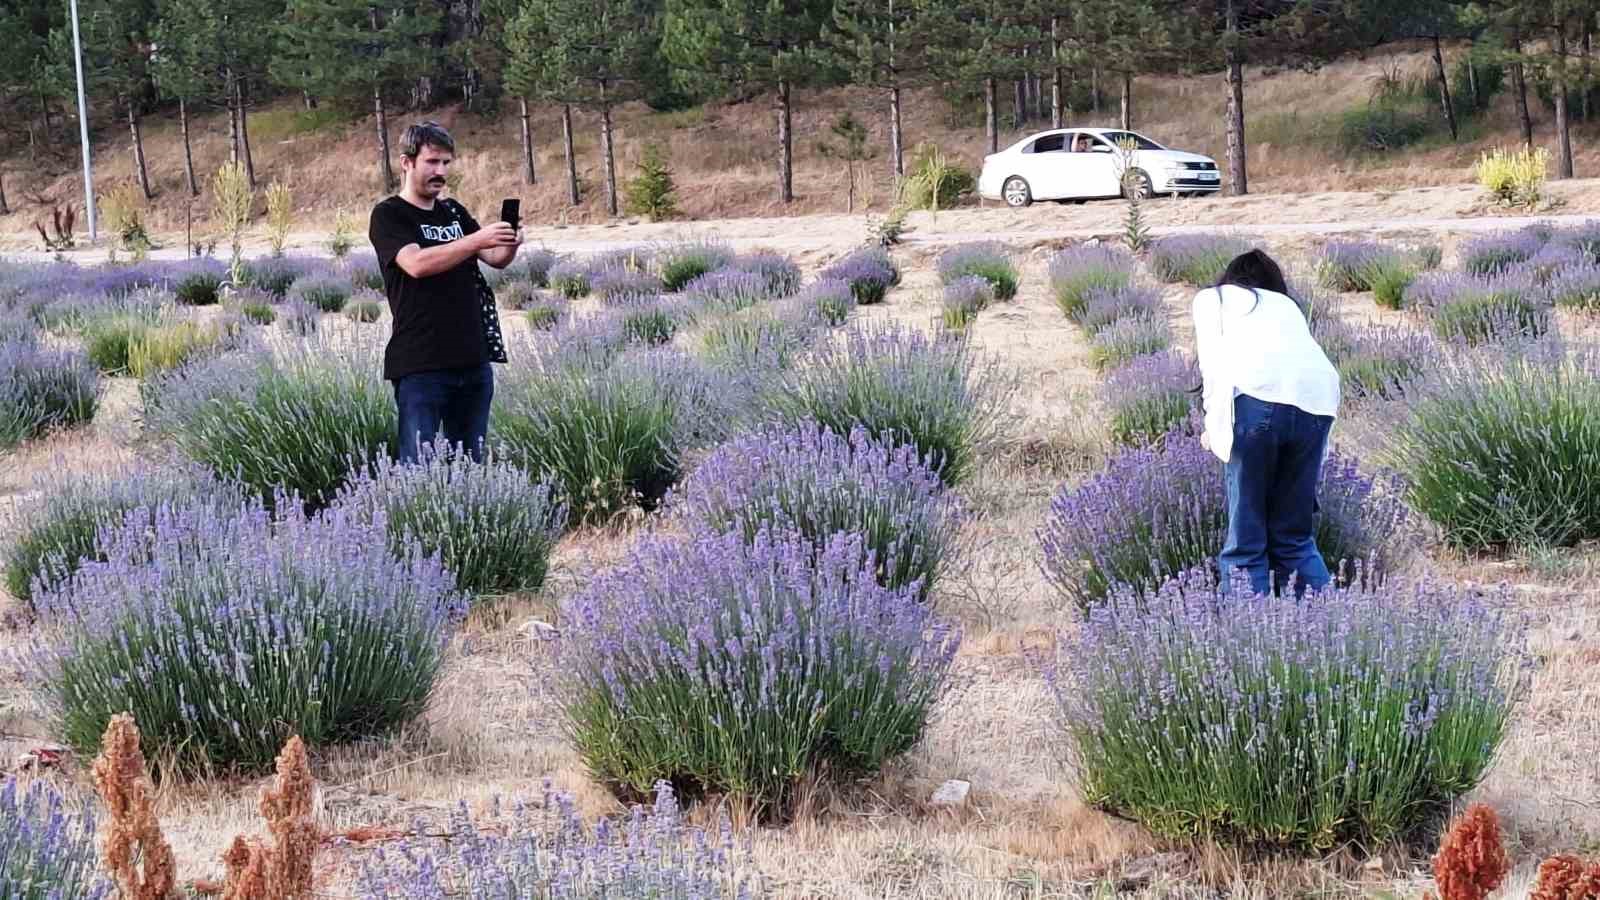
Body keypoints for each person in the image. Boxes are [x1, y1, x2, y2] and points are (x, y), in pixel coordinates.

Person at [369, 121, 521, 464]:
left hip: (473, 361)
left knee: (469, 466)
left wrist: (511, 242)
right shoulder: (389, 214)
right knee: (418, 468)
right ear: (406, 162)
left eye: (446, 163)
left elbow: (495, 259)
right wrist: (475, 240)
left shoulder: (453, 212)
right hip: (421, 365)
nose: (440, 171)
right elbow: (416, 264)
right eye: (432, 162)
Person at [1192, 249, 1341, 597]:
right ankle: (1333, 622)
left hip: (1256, 401)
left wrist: (1216, 430)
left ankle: (1247, 629)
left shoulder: (1212, 298)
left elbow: (1213, 368)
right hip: (1318, 404)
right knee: (1294, 539)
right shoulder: (1287, 306)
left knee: (1245, 545)